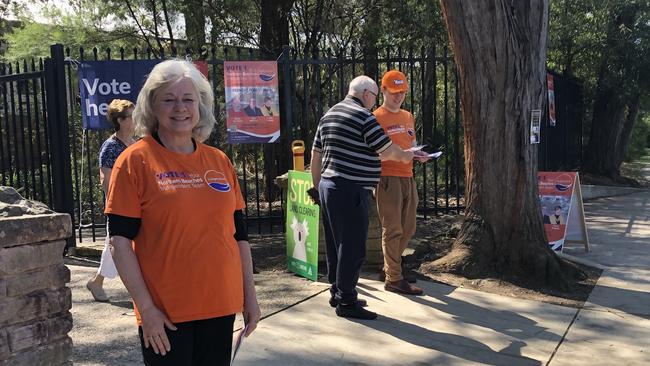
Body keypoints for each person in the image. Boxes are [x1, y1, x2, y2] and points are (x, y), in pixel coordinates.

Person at [105, 60, 260, 365]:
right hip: (165, 314)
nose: (180, 108)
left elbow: (239, 238)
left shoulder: (219, 161)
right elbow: (118, 242)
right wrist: (146, 309)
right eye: (169, 99)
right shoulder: (134, 161)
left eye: (188, 99)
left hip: (220, 306)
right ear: (152, 106)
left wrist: (250, 298)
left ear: (200, 105)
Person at [310, 75, 414, 320]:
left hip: (328, 186)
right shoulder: (363, 117)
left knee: (336, 245)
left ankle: (338, 291)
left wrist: (317, 188)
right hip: (351, 188)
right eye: (375, 96)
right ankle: (347, 300)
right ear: (367, 94)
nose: (374, 101)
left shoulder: (330, 114)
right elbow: (386, 150)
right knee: (353, 247)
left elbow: (316, 154)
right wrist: (407, 155)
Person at [374, 70, 428, 296]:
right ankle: (394, 278)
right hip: (387, 178)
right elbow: (374, 152)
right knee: (393, 228)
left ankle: (390, 267)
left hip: (408, 176)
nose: (398, 97)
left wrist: (419, 155)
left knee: (409, 228)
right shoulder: (375, 117)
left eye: (402, 93)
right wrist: (399, 155)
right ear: (383, 90)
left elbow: (411, 142)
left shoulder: (408, 116)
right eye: (394, 92)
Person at [86, 99, 135, 302]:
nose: (136, 119)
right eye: (132, 116)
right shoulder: (110, 147)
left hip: (137, 203)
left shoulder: (136, 143)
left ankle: (97, 281)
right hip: (120, 206)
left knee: (120, 245)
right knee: (115, 246)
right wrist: (117, 203)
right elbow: (105, 180)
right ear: (121, 120)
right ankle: (97, 282)